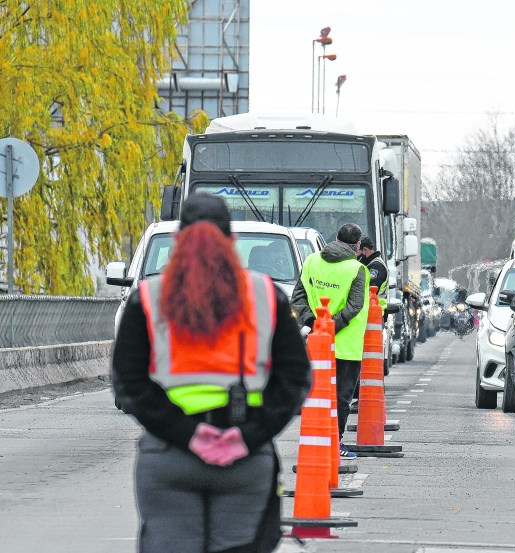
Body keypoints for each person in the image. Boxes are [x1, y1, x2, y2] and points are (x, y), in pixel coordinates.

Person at [111, 193, 311, 553]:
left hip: (169, 455)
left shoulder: (148, 297)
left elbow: (129, 384)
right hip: (245, 460)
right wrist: (247, 436)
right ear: (231, 241)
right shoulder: (266, 296)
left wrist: (188, 435)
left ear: (178, 240)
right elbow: (294, 380)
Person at [291, 222, 370, 459]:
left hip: (315, 343)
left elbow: (298, 296)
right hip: (345, 346)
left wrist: (315, 325)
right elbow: (354, 306)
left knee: (316, 395)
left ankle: (315, 441)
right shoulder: (357, 270)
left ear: (335, 238)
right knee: (341, 397)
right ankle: (334, 443)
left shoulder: (312, 261)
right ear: (357, 246)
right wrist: (330, 327)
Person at [357, 235, 388, 308]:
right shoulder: (369, 264)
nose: (356, 254)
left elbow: (370, 290)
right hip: (371, 310)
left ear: (364, 250)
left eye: (357, 251)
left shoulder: (376, 266)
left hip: (376, 312)